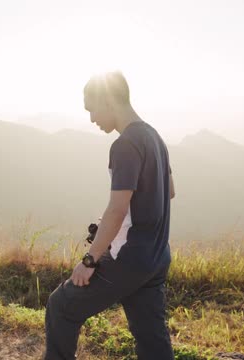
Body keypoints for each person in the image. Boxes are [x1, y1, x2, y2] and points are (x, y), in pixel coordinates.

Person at [44, 72, 175, 360]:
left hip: (128, 260)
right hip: (156, 258)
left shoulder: (125, 145)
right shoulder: (154, 137)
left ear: (108, 100)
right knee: (151, 337)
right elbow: (169, 191)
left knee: (61, 306)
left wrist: (89, 260)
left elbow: (117, 209)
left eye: (92, 109)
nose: (92, 119)